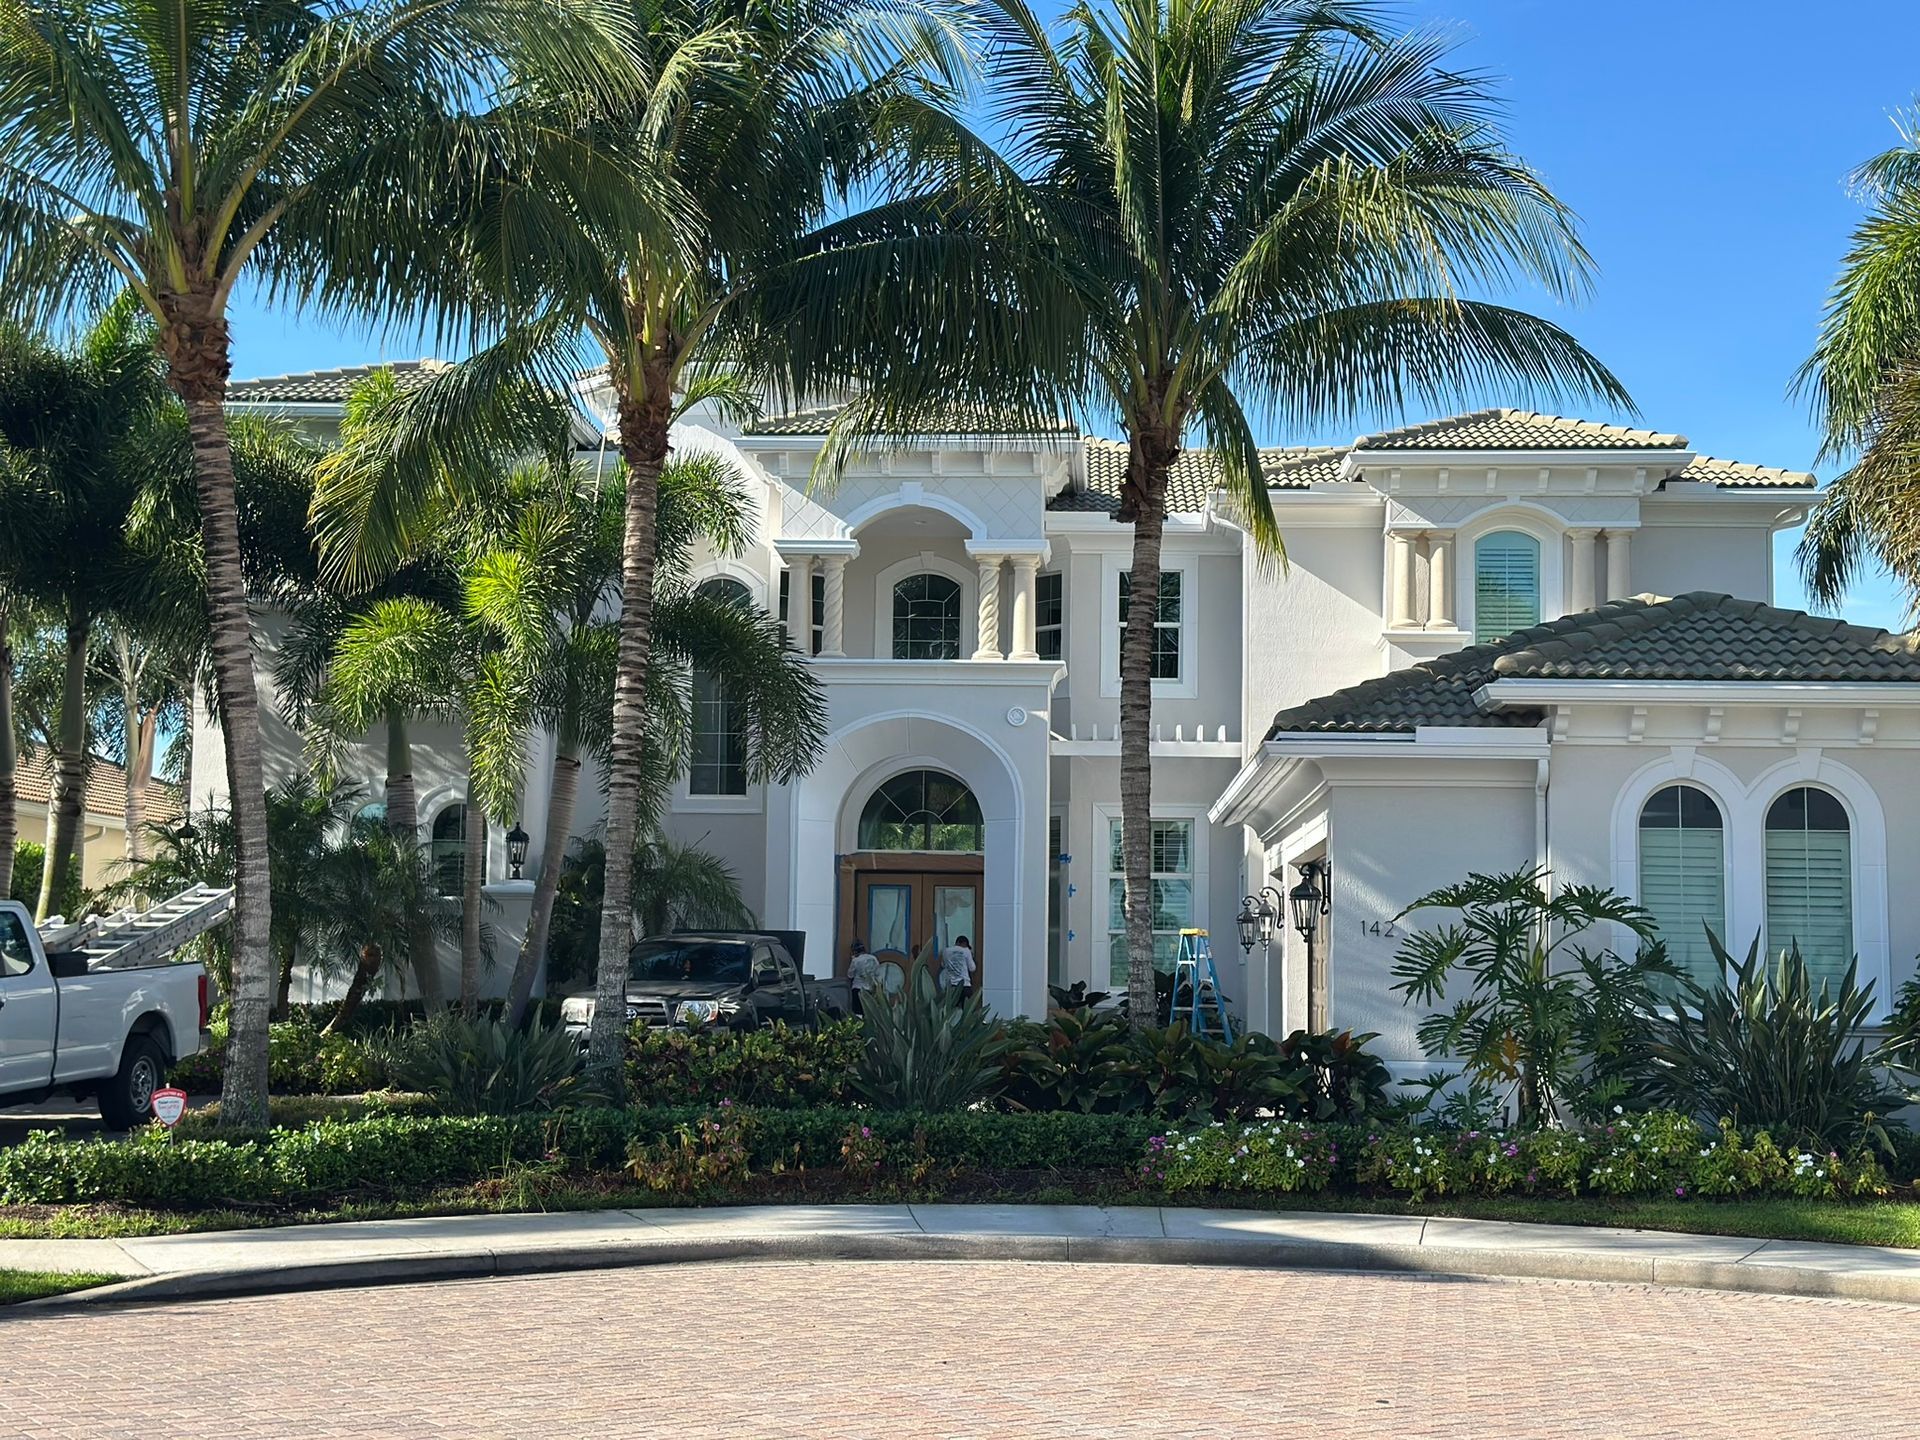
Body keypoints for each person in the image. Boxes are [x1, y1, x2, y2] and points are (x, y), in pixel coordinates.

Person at [938, 934, 975, 1001]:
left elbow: (943, 965)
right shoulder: (966, 950)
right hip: (965, 985)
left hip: (951, 986)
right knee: (966, 1010)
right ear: (964, 943)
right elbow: (972, 968)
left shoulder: (946, 951)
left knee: (952, 1009)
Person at [848, 939, 881, 1013]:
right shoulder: (873, 958)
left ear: (855, 951)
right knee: (869, 1012)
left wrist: (852, 959)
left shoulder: (856, 961)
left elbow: (850, 975)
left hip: (858, 989)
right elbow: (877, 973)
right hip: (871, 989)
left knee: (858, 1012)